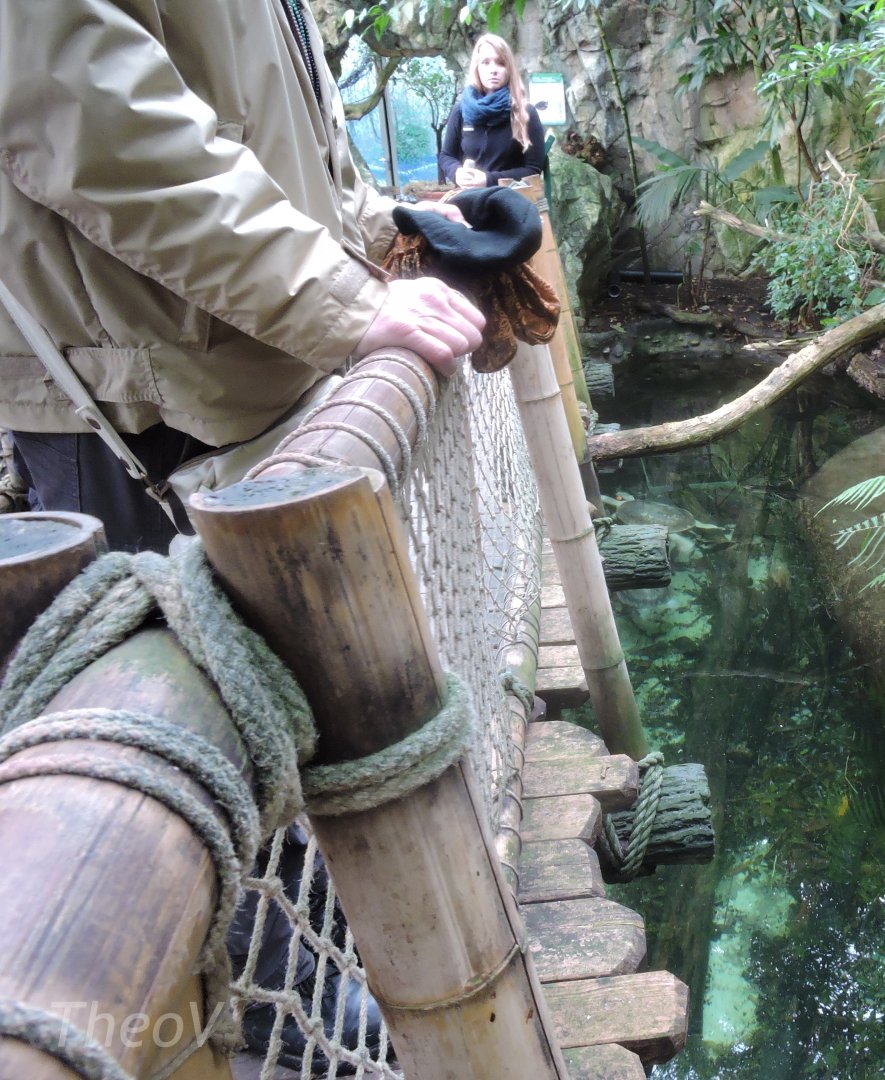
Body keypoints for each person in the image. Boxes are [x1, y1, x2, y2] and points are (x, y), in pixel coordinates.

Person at [0, 1, 488, 1073]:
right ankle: (286, 1031)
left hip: (256, 368)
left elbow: (286, 133)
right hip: (132, 405)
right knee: (197, 751)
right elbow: (96, 121)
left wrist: (393, 232)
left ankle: (334, 997)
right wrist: (338, 302)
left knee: (292, 727)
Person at [438, 34, 547, 190]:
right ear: (477, 68)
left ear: (509, 69)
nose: (493, 70)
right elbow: (446, 156)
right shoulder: (461, 110)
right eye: (486, 63)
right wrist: (457, 173)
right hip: (470, 201)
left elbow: (533, 169)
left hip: (510, 204)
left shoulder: (525, 113)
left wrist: (488, 179)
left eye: (500, 63)